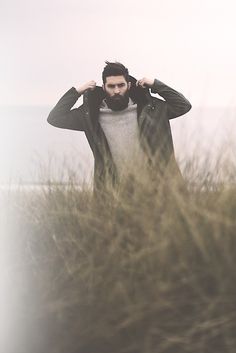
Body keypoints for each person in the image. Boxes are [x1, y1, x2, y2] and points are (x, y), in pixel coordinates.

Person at [47, 61, 192, 195]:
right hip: (114, 194)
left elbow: (183, 105)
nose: (116, 91)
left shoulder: (151, 109)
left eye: (121, 85)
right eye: (111, 86)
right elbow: (55, 118)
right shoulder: (90, 116)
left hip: (157, 191)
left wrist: (155, 84)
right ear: (103, 87)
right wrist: (78, 91)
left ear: (128, 85)